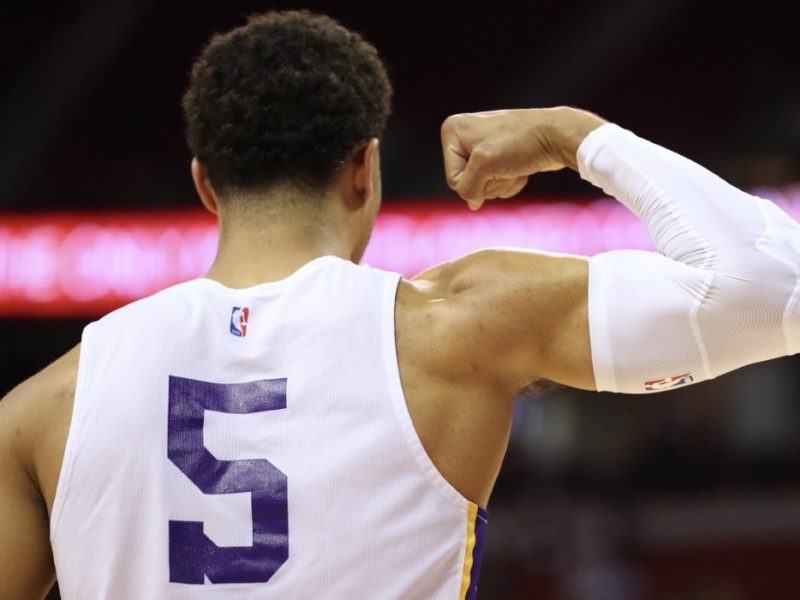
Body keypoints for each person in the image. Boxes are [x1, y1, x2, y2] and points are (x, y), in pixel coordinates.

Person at [1, 9, 798, 600]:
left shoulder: (40, 412)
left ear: (206, 183)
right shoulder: (459, 327)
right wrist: (575, 135)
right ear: (364, 170)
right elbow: (774, 286)